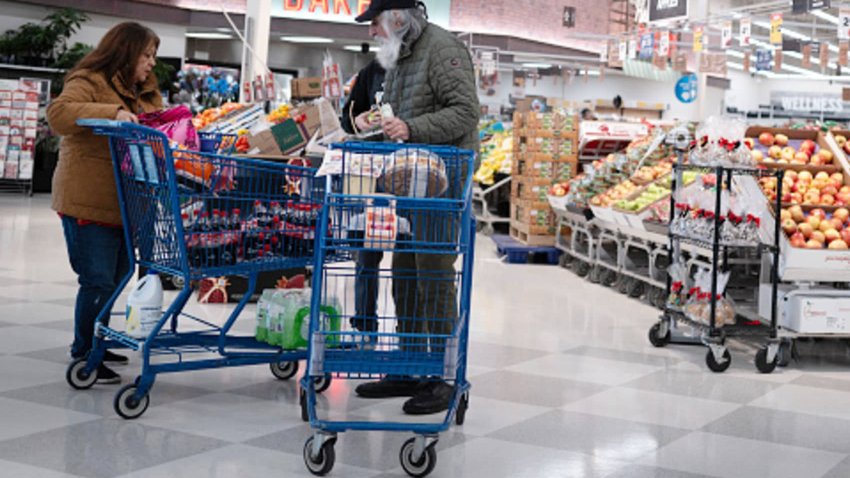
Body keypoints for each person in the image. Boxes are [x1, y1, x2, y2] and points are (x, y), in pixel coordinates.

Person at [352, 0, 479, 415]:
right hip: (410, 178)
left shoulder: (443, 49)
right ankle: (410, 365)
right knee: (404, 269)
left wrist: (412, 128)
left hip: (442, 178)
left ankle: (443, 376)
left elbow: (465, 112)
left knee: (435, 273)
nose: (372, 33)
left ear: (399, 19)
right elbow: (402, 114)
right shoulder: (402, 55)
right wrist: (375, 129)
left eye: (374, 24)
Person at [47, 22, 163, 384]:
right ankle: (85, 353)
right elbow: (58, 114)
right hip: (88, 199)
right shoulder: (90, 79)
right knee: (96, 279)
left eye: (153, 56)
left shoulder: (141, 91)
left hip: (126, 203)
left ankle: (98, 341)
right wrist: (111, 114)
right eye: (146, 55)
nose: (151, 64)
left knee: (115, 279)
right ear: (126, 52)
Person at [342, 59, 387, 336]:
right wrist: (357, 121)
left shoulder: (426, 68)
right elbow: (347, 118)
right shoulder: (372, 71)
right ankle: (365, 320)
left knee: (413, 256)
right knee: (367, 252)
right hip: (372, 171)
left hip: (412, 171)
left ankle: (409, 329)